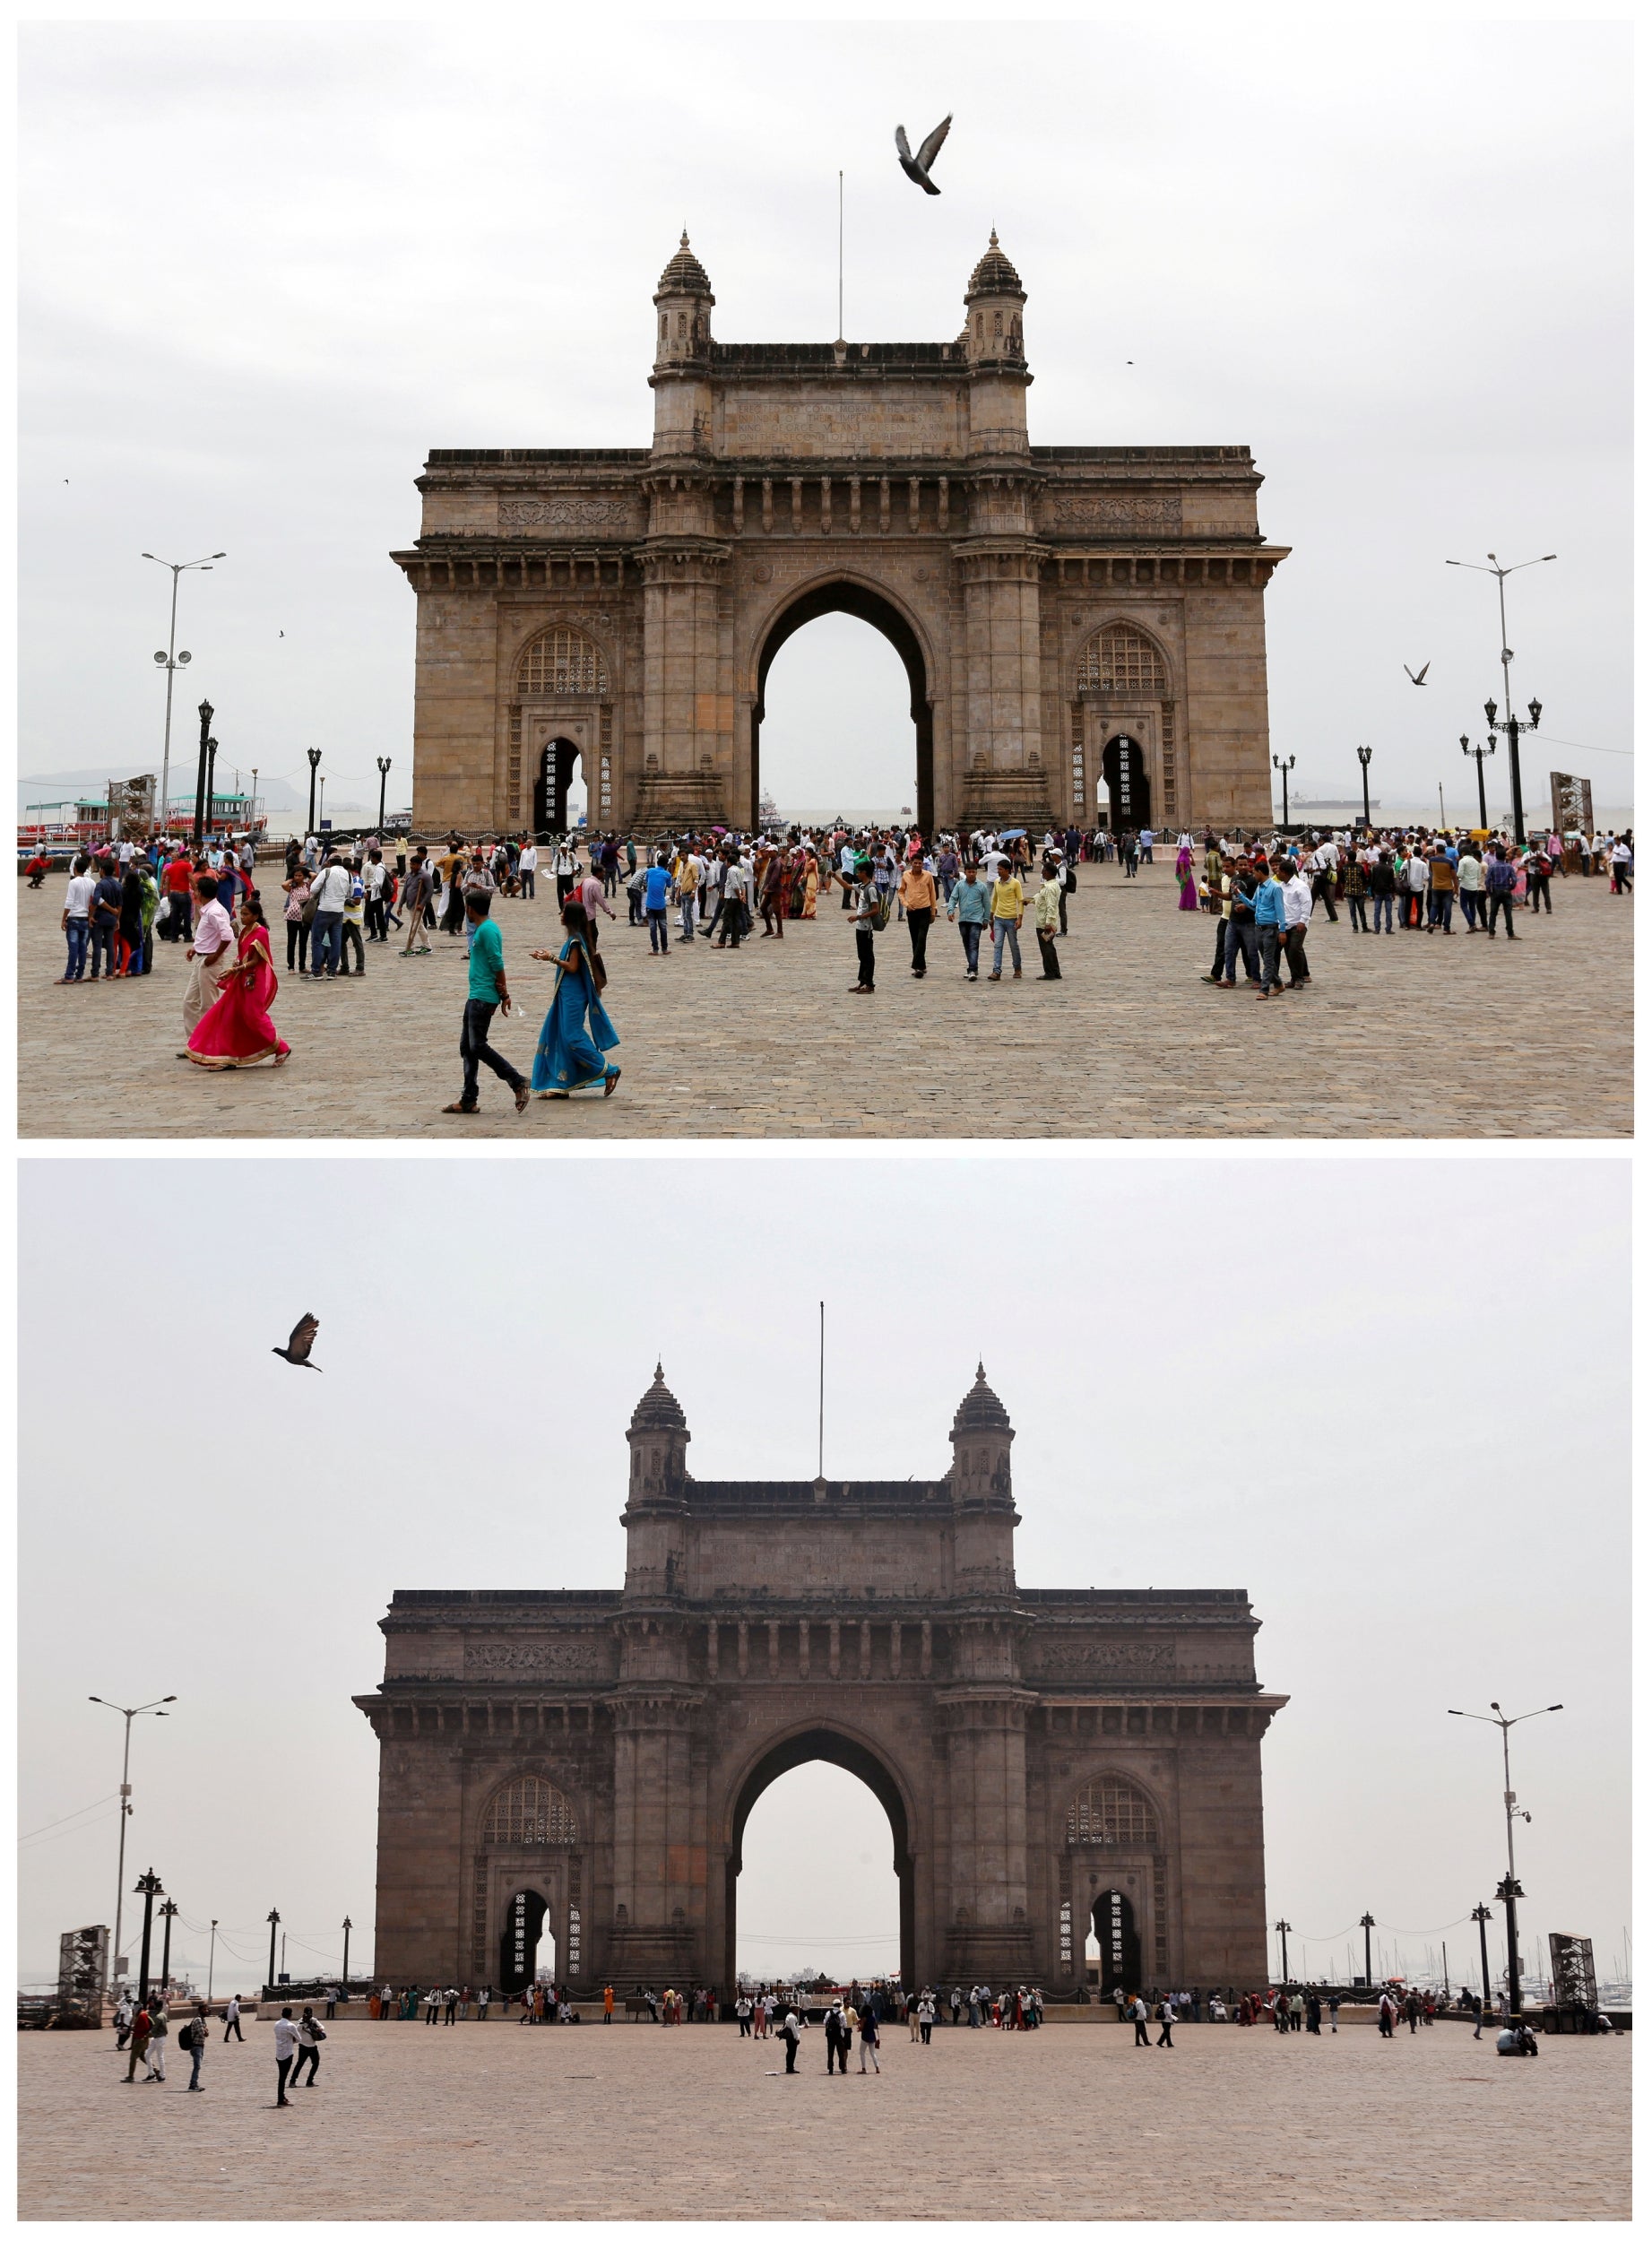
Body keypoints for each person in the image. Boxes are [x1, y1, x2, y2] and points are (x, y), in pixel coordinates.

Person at [444, 890, 530, 1116]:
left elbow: (497, 963)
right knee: (467, 1048)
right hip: (476, 995)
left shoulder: (487, 931)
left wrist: (504, 994)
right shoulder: (483, 930)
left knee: (477, 1046)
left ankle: (517, 1080)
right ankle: (468, 1099)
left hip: (484, 997)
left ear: (470, 909)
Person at [186, 893, 290, 1069]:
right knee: (229, 1014)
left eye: (246, 914)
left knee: (253, 1017)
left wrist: (235, 969)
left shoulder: (260, 932)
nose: (243, 917)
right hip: (241, 980)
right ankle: (228, 1055)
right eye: (241, 914)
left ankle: (281, 1047)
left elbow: (256, 961)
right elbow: (243, 954)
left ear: (256, 916)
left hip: (254, 981)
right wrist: (236, 961)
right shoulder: (245, 931)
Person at [529, 902, 621, 1098]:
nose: (561, 914)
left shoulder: (576, 942)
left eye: (564, 912)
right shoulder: (573, 938)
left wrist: (551, 958)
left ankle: (610, 1070)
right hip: (565, 994)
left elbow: (572, 967)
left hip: (574, 997)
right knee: (560, 1037)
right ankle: (560, 1085)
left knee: (572, 1037)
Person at [180, 874, 237, 1044]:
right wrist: (195, 948)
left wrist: (215, 955)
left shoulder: (215, 911)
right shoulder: (208, 910)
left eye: (196, 889)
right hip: (202, 958)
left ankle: (213, 1042)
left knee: (209, 1004)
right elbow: (209, 936)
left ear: (201, 892)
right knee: (190, 1001)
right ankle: (196, 1041)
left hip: (210, 961)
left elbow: (227, 936)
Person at [946, 860, 991, 981]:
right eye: (969, 872)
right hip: (963, 919)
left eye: (973, 872)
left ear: (976, 872)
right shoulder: (960, 885)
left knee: (973, 944)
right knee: (967, 944)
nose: (971, 874)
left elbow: (987, 904)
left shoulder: (982, 887)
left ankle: (972, 969)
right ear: (965, 872)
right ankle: (973, 968)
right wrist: (950, 911)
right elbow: (953, 898)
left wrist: (986, 919)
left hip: (976, 920)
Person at [897, 852, 936, 976]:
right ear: (911, 863)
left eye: (920, 863)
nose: (918, 865)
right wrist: (906, 904)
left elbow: (932, 893)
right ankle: (921, 966)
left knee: (921, 938)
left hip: (925, 909)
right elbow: (901, 892)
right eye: (915, 863)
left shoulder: (928, 876)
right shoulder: (906, 875)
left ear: (923, 864)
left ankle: (917, 966)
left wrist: (933, 911)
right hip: (912, 911)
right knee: (915, 939)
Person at [847, 857, 879, 993]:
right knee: (861, 955)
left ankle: (870, 984)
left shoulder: (871, 889)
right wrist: (834, 876)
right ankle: (862, 981)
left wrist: (858, 917)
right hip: (860, 927)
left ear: (865, 873)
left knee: (867, 956)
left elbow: (875, 909)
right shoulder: (862, 886)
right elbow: (847, 886)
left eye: (859, 872)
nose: (857, 874)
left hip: (866, 927)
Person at [988, 863, 1025, 980]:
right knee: (998, 945)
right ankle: (996, 970)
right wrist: (991, 915)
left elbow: (1021, 901)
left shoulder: (1015, 883)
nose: (998, 871)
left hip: (1011, 919)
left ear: (1007, 870)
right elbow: (994, 900)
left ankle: (1017, 968)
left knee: (1013, 945)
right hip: (999, 918)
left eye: (1001, 869)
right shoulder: (997, 882)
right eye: (998, 869)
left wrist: (1020, 918)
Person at [1034, 859, 1064, 979]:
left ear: (1049, 873)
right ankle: (1056, 971)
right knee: (1050, 946)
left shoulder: (1049, 887)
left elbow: (1050, 905)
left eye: (1044, 871)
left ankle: (1049, 972)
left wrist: (1047, 923)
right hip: (1050, 922)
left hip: (1044, 923)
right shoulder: (1053, 885)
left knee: (1046, 948)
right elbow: (1041, 899)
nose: (1042, 873)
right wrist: (1029, 900)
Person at [644, 854, 672, 955]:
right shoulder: (667, 874)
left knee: (652, 928)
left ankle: (655, 949)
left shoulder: (650, 871)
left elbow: (646, 882)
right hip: (661, 905)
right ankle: (664, 948)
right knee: (663, 928)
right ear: (666, 865)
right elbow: (669, 885)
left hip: (650, 905)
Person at [290, 2006, 325, 2087]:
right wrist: (303, 2023)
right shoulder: (300, 2021)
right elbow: (297, 2030)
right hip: (303, 2046)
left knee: (316, 2063)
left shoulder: (314, 2020)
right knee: (300, 2064)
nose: (309, 2015)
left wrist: (319, 2029)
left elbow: (322, 2027)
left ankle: (309, 2081)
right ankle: (292, 2081)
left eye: (310, 2013)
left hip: (313, 2046)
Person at [272, 2006, 300, 2106]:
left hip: (279, 2053)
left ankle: (282, 2096)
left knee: (282, 2076)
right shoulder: (290, 2026)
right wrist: (292, 2040)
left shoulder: (276, 2024)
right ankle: (280, 2099)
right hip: (287, 2053)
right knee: (283, 2077)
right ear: (290, 2015)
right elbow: (298, 2039)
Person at [856, 2003, 880, 2074]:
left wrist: (859, 2027)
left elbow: (862, 2027)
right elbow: (875, 2026)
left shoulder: (864, 2018)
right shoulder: (873, 2017)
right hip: (872, 2035)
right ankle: (877, 2067)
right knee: (873, 2053)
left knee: (862, 2052)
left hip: (865, 2036)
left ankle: (864, 2068)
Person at [1175, 842, 1198, 911]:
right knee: (1185, 891)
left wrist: (1191, 857)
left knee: (1192, 891)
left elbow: (1194, 864)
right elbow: (1182, 870)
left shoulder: (1187, 858)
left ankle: (1192, 905)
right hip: (1185, 876)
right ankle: (1185, 905)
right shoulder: (1182, 859)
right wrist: (1184, 878)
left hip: (1189, 875)